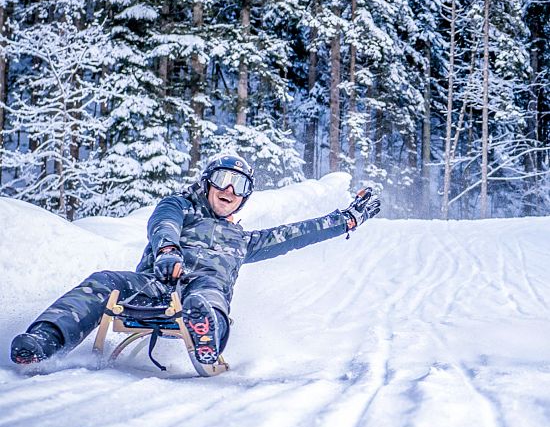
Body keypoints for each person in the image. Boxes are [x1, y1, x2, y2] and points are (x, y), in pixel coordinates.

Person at [10, 154, 381, 371]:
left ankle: (206, 337)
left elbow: (296, 233)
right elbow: (163, 223)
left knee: (207, 296)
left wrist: (345, 219)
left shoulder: (243, 240)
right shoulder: (181, 206)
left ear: (246, 197)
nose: (229, 191)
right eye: (222, 180)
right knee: (104, 279)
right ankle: (45, 339)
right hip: (156, 284)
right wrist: (168, 250)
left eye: (240, 187)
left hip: (202, 292)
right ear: (206, 183)